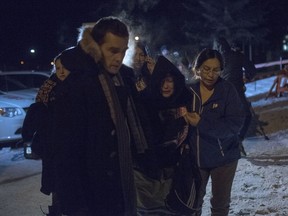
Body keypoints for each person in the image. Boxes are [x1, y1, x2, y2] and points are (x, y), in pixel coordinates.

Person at [48, 16, 148, 216]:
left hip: (119, 186)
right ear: (96, 47)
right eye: (113, 50)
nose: (119, 58)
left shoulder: (124, 79)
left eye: (123, 51)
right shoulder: (78, 84)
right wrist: (76, 207)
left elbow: (137, 125)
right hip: (90, 193)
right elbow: (66, 152)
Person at [184, 48, 245, 216]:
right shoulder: (188, 91)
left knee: (220, 205)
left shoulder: (227, 90)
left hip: (224, 158)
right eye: (206, 69)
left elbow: (235, 124)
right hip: (196, 158)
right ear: (197, 69)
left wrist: (202, 123)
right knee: (193, 203)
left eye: (216, 70)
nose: (211, 74)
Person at [133, 56, 193, 215]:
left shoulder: (186, 100)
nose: (165, 86)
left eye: (169, 81)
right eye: (161, 81)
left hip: (179, 173)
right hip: (151, 174)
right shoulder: (149, 105)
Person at [22, 52, 71, 216]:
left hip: (71, 147)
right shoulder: (47, 88)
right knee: (57, 186)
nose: (61, 71)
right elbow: (38, 117)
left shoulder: (78, 87)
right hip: (53, 148)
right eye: (58, 68)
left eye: (65, 67)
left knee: (70, 187)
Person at [213, 37, 257, 155]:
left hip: (220, 95)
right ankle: (238, 139)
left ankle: (226, 145)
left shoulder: (214, 60)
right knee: (247, 116)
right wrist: (246, 78)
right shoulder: (237, 55)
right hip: (237, 92)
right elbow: (252, 71)